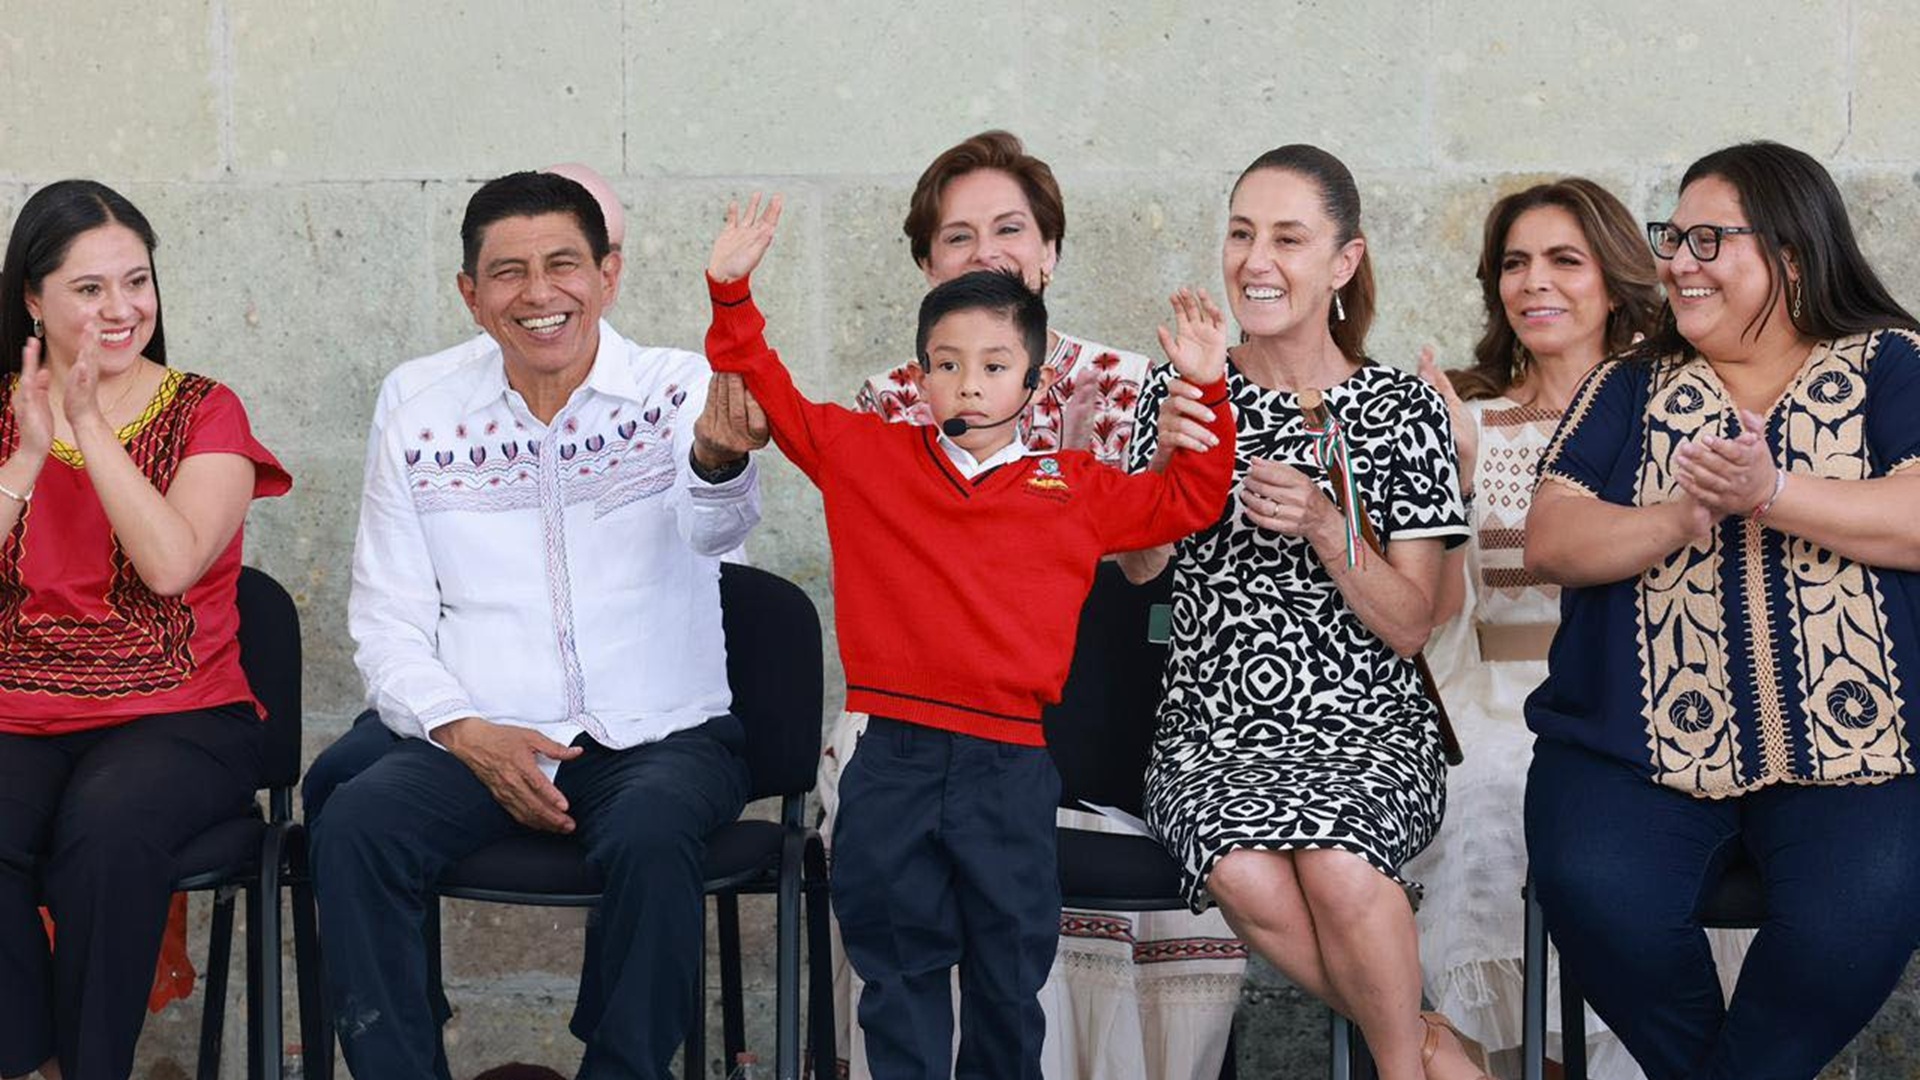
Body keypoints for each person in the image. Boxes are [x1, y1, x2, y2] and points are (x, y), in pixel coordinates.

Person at [703, 193, 1236, 1080]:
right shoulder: (866, 455)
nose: (969, 381)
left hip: (1009, 763)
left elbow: (1188, 501)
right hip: (893, 756)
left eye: (995, 364)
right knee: (897, 964)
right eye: (946, 364)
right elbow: (771, 391)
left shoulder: (1075, 484)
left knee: (1007, 972)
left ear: (1032, 384)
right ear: (919, 379)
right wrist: (730, 290)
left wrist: (1207, 385)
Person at [310, 171, 763, 1079]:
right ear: (471, 296)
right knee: (356, 822)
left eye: (564, 263)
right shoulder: (419, 404)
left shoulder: (677, 388)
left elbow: (720, 537)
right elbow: (387, 616)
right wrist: (465, 732)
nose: (539, 292)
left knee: (650, 837)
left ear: (609, 275)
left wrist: (717, 463)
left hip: (659, 731)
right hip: (483, 731)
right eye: (508, 272)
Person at [1523, 141, 1920, 1080]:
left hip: (1863, 755)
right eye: (1673, 237)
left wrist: (1771, 490)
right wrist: (1680, 515)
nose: (1677, 262)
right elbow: (1551, 536)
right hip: (1626, 748)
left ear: (1790, 254)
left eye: (1708, 239)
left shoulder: (1893, 365)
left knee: (1852, 922)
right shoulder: (1627, 382)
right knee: (1596, 892)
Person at [1119, 145, 1482, 1080]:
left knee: (1339, 861)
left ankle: (1402, 1067)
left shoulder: (1402, 408)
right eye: (1241, 234)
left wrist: (1326, 523)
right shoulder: (1184, 392)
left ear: (1343, 263)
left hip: (1368, 724)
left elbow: (1412, 624)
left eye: (1288, 237)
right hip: (1213, 724)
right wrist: (1164, 474)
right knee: (1237, 865)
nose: (1256, 260)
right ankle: (1428, 1050)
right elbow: (1134, 568)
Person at [1403, 177, 1753, 1079]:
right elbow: (1437, 616)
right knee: (1486, 785)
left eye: (1565, 260)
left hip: (1638, 685)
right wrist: (1454, 476)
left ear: (1613, 279)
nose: (1535, 283)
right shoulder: (1467, 418)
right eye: (1514, 263)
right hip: (1495, 691)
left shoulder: (1673, 410)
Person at [0, 180, 290, 1080]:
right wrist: (30, 453)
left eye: (138, 282)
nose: (122, 310)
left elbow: (169, 565)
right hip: (20, 709)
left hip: (184, 715)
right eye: (89, 289)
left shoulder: (209, 410)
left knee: (110, 831)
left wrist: (88, 418)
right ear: (34, 300)